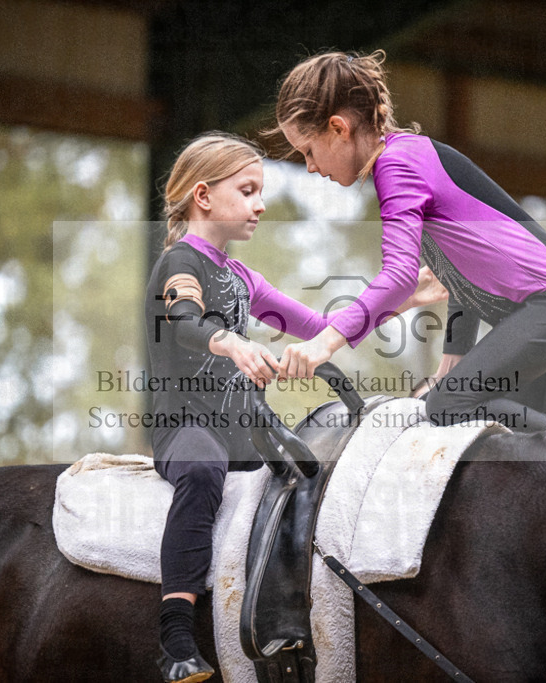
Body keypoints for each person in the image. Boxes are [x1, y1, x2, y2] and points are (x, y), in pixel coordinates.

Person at [145, 132, 442, 682]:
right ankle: (176, 638)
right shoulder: (179, 263)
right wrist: (232, 342)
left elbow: (323, 328)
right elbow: (184, 322)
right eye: (249, 190)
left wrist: (402, 299)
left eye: (261, 192)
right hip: (185, 425)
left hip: (242, 426)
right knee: (203, 469)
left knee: (311, 472)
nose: (261, 204)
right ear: (204, 196)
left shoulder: (242, 277)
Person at [272, 50, 546, 443]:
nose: (311, 166)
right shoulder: (411, 152)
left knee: (446, 407)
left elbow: (399, 276)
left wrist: (325, 343)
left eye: (308, 151)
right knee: (519, 450)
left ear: (338, 128)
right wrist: (451, 361)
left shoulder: (396, 166)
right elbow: (458, 270)